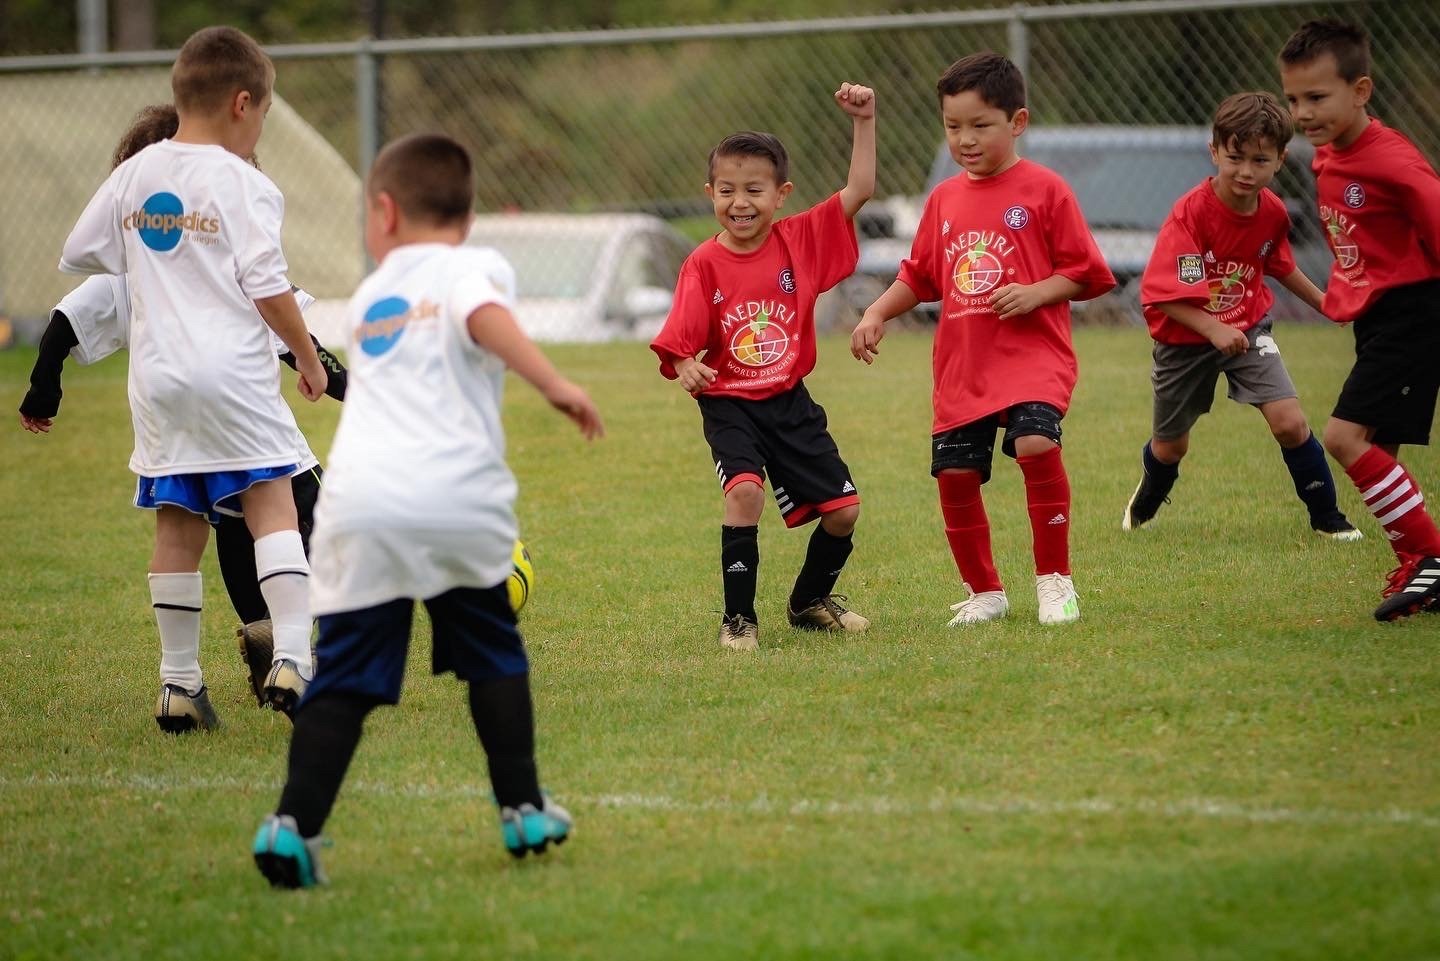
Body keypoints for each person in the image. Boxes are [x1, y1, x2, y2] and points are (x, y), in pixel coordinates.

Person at [251, 132, 604, 888]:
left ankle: (291, 826)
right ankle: (524, 807)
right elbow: (483, 317)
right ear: (469, 216)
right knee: (493, 657)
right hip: (454, 498)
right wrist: (553, 383)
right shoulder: (474, 266)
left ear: (383, 213)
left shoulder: (374, 296)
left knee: (344, 675)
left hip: (360, 502)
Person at [20, 103, 349, 711]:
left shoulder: (133, 252)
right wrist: (335, 379)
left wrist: (44, 386)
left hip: (161, 397)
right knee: (277, 509)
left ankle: (179, 685)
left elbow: (67, 315)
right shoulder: (232, 219)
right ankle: (294, 657)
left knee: (180, 527)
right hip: (234, 393)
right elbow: (281, 311)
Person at [850, 52, 1115, 627]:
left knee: (1036, 446)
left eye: (979, 125)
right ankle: (986, 592)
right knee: (955, 475)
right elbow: (919, 276)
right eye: (952, 126)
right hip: (964, 366)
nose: (964, 139)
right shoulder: (944, 198)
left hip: (1033, 357)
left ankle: (1055, 582)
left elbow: (1088, 273)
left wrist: (1038, 292)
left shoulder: (1046, 190)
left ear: (1016, 122)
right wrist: (876, 312)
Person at [649, 82, 877, 651]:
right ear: (709, 193)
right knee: (744, 492)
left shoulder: (799, 240)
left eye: (754, 189)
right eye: (727, 190)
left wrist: (864, 120)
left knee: (845, 512)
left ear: (782, 195)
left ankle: (808, 601)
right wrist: (683, 364)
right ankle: (738, 620)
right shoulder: (703, 262)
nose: (740, 201)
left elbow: (861, 189)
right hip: (730, 405)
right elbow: (680, 340)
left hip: (789, 401)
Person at [1121, 91, 1361, 542]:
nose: (1246, 172)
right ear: (1214, 151)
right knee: (1171, 446)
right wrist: (1213, 327)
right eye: (1235, 158)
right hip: (1185, 341)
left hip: (1249, 328)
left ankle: (1329, 519)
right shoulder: (1190, 215)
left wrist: (1327, 303)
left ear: (1280, 160)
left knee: (1290, 422)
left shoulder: (1271, 211)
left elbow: (1278, 263)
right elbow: (1162, 295)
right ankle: (1151, 491)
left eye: (1259, 160)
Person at [1279, 19, 1440, 620]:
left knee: (1345, 439)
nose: (1303, 111)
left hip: (1413, 313)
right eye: (1294, 98)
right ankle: (1416, 565)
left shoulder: (1393, 161)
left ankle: (1430, 557)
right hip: (1379, 317)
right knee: (1381, 447)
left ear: (1361, 91)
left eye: (1317, 97)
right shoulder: (1328, 156)